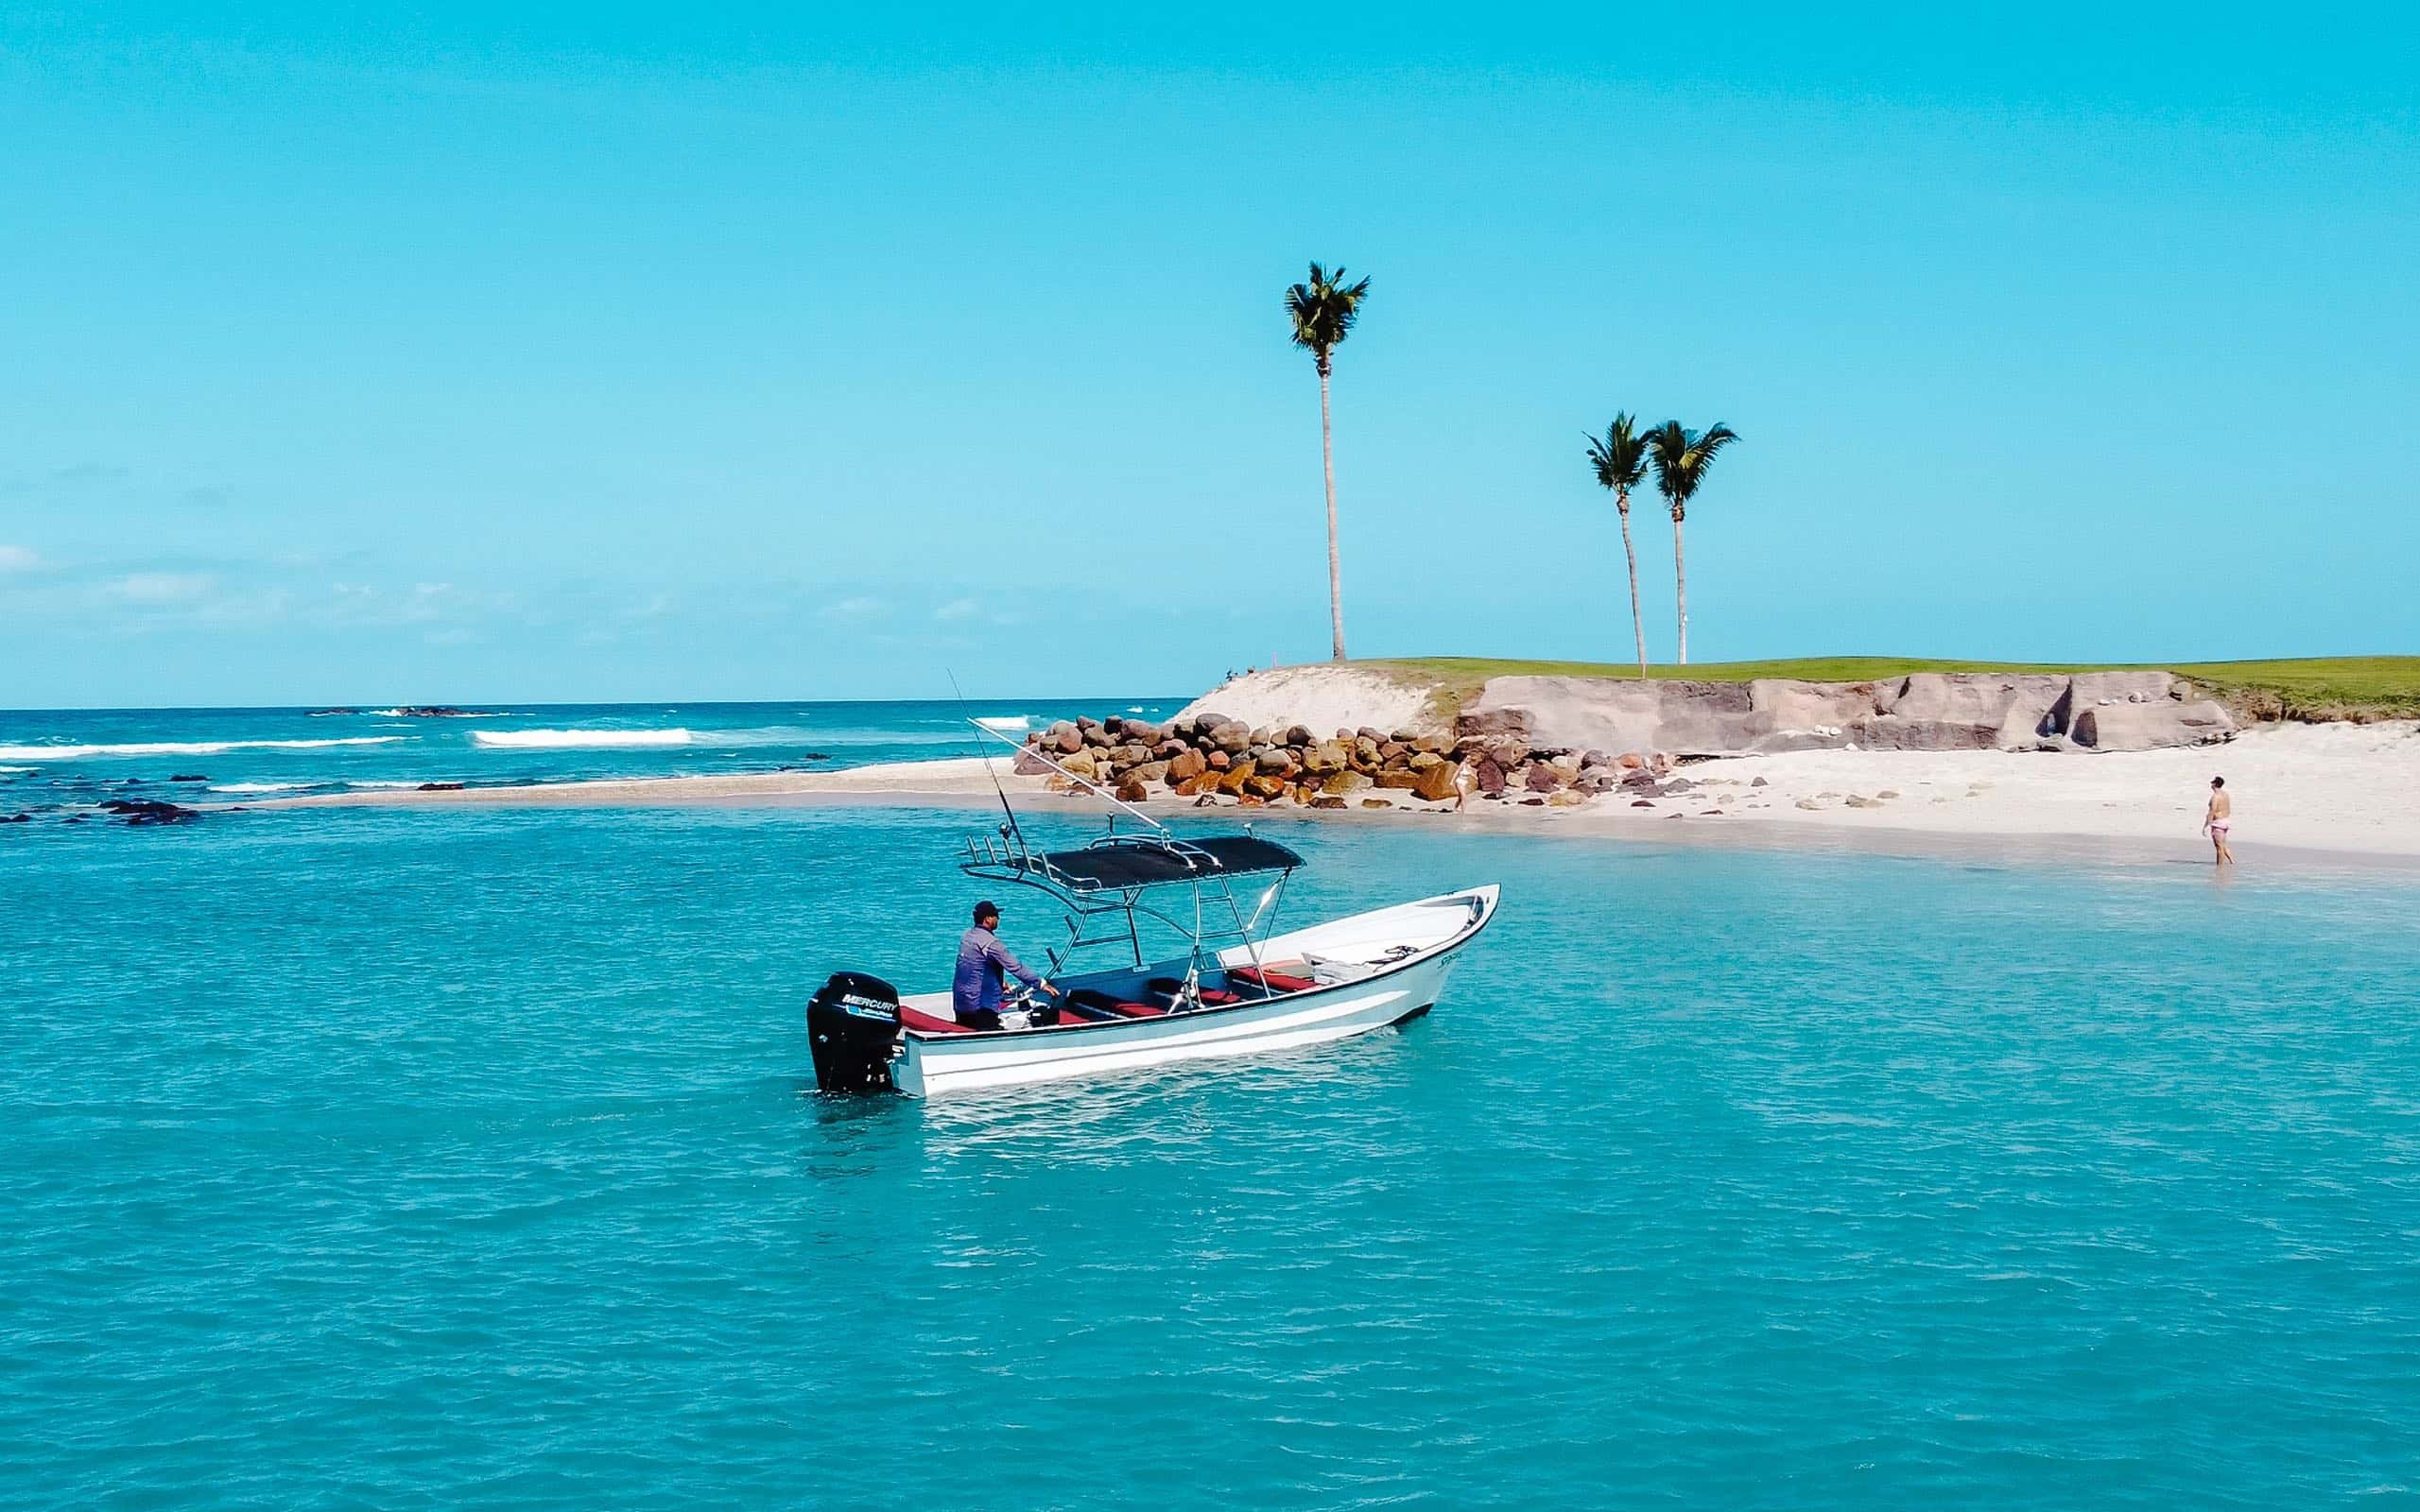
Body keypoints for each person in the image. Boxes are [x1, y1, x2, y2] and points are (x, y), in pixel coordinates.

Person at [953, 900, 1050, 1026]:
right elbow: (1016, 967)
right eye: (995, 916)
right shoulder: (991, 943)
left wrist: (999, 983)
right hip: (980, 1010)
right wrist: (1040, 984)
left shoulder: (967, 938)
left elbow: (972, 968)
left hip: (961, 1006)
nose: (998, 918)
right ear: (987, 919)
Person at [2202, 776, 2235, 866]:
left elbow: (2212, 811)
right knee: (2223, 844)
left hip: (2218, 823)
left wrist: (2206, 826)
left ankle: (2219, 867)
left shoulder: (2215, 797)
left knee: (2219, 847)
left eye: (2212, 783)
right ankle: (2232, 862)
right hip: (2226, 821)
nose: (2211, 784)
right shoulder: (2225, 794)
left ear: (2214, 784)